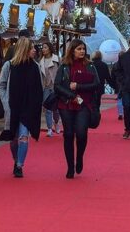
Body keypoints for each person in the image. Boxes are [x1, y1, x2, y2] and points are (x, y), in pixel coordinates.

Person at [0, 37, 44, 178]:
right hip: (13, 107)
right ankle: (16, 159)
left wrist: (37, 105)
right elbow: (1, 85)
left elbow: (39, 88)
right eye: (32, 48)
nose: (35, 50)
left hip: (27, 108)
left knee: (24, 136)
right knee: (14, 138)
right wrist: (6, 101)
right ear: (24, 49)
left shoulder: (35, 67)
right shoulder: (9, 66)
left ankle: (19, 165)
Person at [54, 39, 98, 178]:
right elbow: (57, 85)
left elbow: (96, 84)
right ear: (72, 50)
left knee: (81, 133)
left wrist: (79, 87)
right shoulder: (64, 66)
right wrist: (71, 95)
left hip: (84, 104)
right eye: (79, 49)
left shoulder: (90, 66)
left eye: (83, 49)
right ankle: (70, 166)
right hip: (66, 103)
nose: (82, 51)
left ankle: (79, 157)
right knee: (68, 134)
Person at [37, 41, 63, 136]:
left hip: (56, 87)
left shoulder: (57, 60)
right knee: (47, 108)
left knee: (56, 108)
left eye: (45, 47)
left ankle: (56, 122)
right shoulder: (40, 62)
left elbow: (62, 72)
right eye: (42, 47)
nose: (43, 49)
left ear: (50, 48)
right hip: (46, 87)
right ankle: (49, 128)